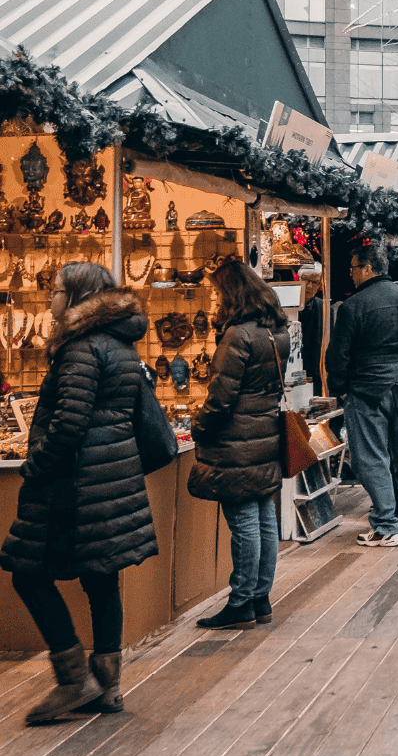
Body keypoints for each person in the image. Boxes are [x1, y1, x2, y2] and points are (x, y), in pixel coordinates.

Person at [1, 264, 157, 723]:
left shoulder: (80, 349)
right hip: (110, 480)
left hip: (74, 485)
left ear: (77, 297)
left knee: (26, 573)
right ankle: (108, 685)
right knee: (101, 575)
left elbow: (69, 423)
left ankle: (73, 680)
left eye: (55, 292)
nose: (50, 300)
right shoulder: (121, 344)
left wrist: (35, 465)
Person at [188, 259, 292, 627]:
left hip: (236, 440)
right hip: (263, 433)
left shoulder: (237, 335)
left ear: (231, 293)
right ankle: (260, 597)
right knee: (264, 518)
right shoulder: (276, 330)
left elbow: (221, 399)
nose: (215, 301)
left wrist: (198, 427)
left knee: (245, 522)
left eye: (218, 293)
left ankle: (242, 601)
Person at [326, 239, 398, 547]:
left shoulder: (353, 306)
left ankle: (386, 524)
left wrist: (341, 391)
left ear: (368, 268)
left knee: (372, 458)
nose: (351, 274)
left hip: (367, 391)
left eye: (353, 268)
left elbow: (337, 356)